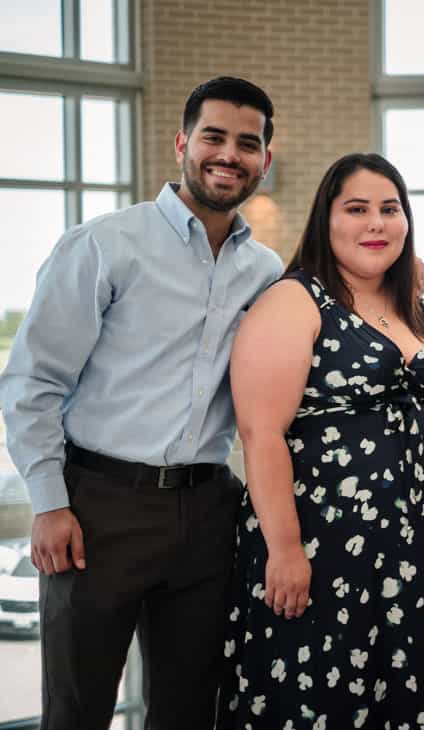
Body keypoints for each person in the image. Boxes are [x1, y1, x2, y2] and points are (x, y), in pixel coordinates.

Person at [0, 77, 280, 729]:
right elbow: (33, 382)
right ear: (182, 143)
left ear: (265, 159)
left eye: (247, 143)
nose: (229, 154)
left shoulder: (266, 273)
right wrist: (49, 502)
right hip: (98, 509)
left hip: (209, 512)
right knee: (77, 710)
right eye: (213, 137)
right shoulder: (103, 244)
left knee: (189, 710)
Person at [216, 153, 424, 729]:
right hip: (320, 547)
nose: (376, 223)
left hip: (405, 549)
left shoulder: (412, 304)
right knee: (321, 700)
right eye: (357, 209)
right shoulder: (294, 300)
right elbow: (261, 434)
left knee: (391, 698)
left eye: (389, 209)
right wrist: (285, 550)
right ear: (326, 218)